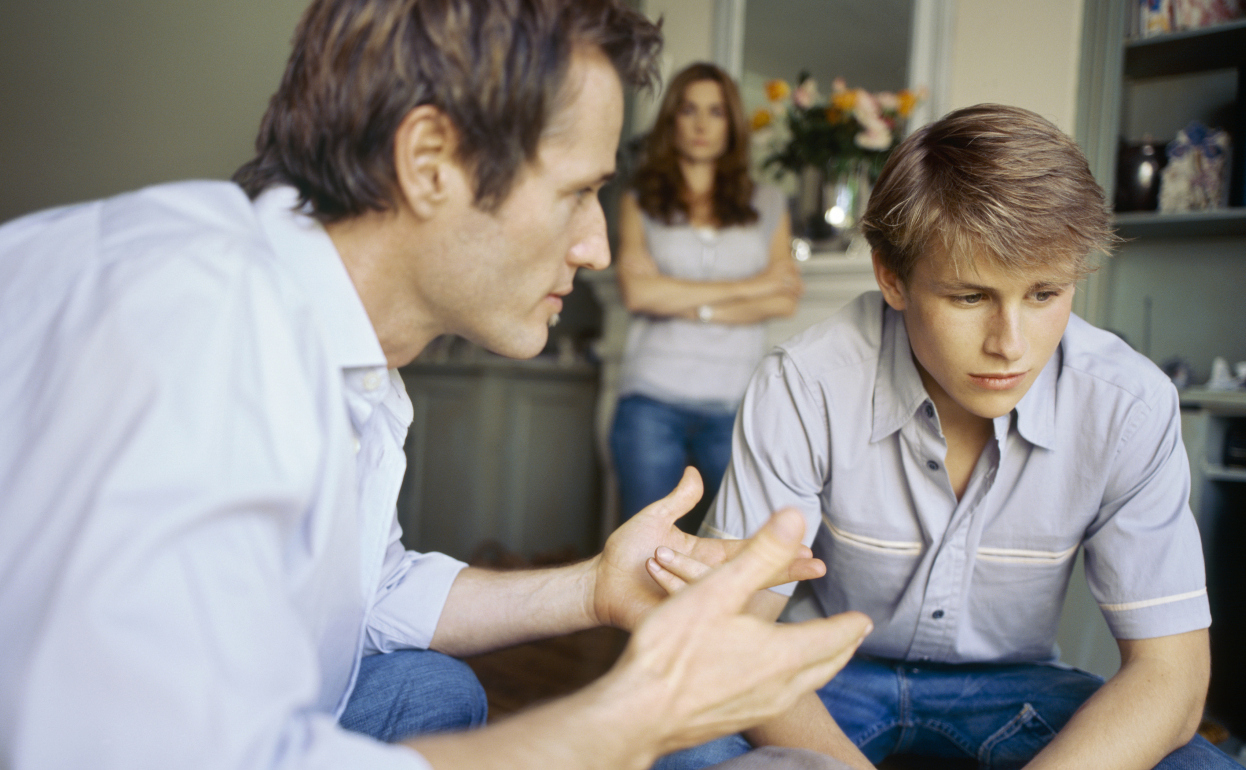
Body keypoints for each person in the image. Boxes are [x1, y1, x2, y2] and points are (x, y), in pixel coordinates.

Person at [0, 2, 877, 768]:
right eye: (578, 192)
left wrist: (596, 588)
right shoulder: (193, 325)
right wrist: (636, 714)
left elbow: (366, 592)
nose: (596, 247)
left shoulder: (355, 355)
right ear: (429, 161)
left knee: (430, 690)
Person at [650, 104, 1245, 770]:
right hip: (820, 676)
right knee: (685, 749)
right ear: (891, 278)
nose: (1010, 345)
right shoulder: (806, 383)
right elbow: (733, 632)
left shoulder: (1129, 405)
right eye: (969, 297)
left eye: (1045, 294)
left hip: (1016, 692)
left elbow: (1172, 674)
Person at [611, 62, 801, 532]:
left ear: (731, 123)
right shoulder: (640, 201)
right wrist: (748, 286)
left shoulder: (769, 202)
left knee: (734, 546)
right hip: (650, 400)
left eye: (715, 111)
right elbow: (638, 293)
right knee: (644, 549)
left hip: (732, 404)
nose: (700, 124)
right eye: (688, 110)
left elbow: (782, 300)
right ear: (671, 119)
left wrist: (688, 302)